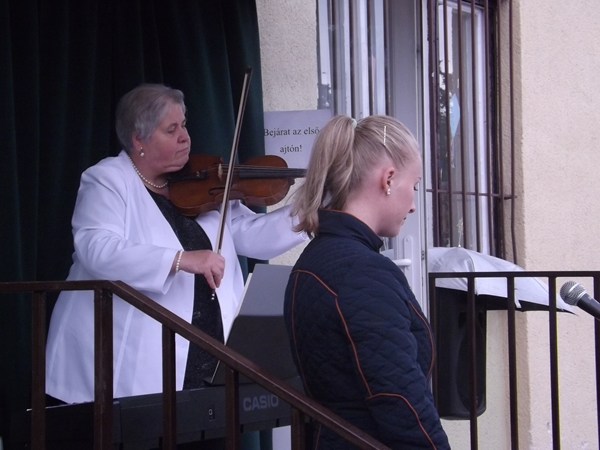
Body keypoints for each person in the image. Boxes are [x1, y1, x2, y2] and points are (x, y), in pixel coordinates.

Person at [45, 83, 307, 405]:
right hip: (131, 363)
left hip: (207, 355)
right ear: (139, 140)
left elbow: (251, 234)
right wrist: (181, 259)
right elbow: (97, 248)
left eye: (184, 125)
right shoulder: (108, 179)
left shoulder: (200, 181)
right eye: (171, 130)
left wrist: (313, 208)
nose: (185, 137)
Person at [283, 115, 450, 449]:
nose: (413, 205)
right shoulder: (362, 271)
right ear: (388, 179)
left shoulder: (313, 260)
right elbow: (400, 399)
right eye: (414, 186)